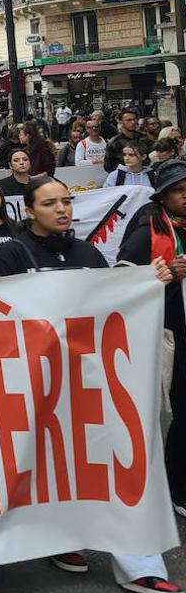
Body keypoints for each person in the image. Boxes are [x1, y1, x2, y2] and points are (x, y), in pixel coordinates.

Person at [0, 176, 184, 593]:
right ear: (30, 211)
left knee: (115, 458)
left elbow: (115, 303)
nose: (62, 210)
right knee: (49, 464)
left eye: (65, 201)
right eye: (50, 204)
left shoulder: (87, 253)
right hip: (36, 382)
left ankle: (140, 562)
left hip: (90, 379)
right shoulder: (11, 255)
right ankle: (64, 540)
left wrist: (154, 283)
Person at [118, 160, 186, 523]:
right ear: (162, 197)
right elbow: (122, 281)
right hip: (169, 332)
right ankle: (176, 485)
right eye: (179, 190)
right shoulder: (148, 231)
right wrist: (168, 277)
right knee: (182, 412)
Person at [105, 108, 144, 172]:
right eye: (129, 120)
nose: (133, 122)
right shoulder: (114, 143)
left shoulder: (143, 138)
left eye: (134, 119)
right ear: (120, 122)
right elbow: (108, 166)